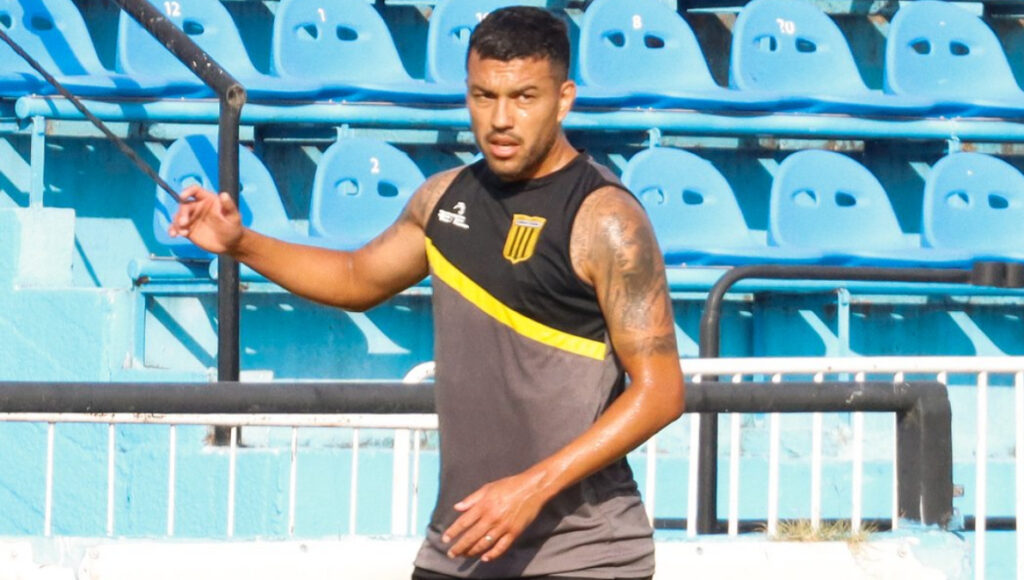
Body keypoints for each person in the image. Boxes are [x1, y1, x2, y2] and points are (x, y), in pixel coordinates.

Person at [168, 6, 685, 579]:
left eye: (524, 98)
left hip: (583, 554)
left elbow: (661, 392)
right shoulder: (443, 199)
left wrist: (531, 488)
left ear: (563, 100)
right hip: (461, 546)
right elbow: (356, 278)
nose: (501, 119)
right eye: (484, 96)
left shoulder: (605, 219)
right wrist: (241, 243)